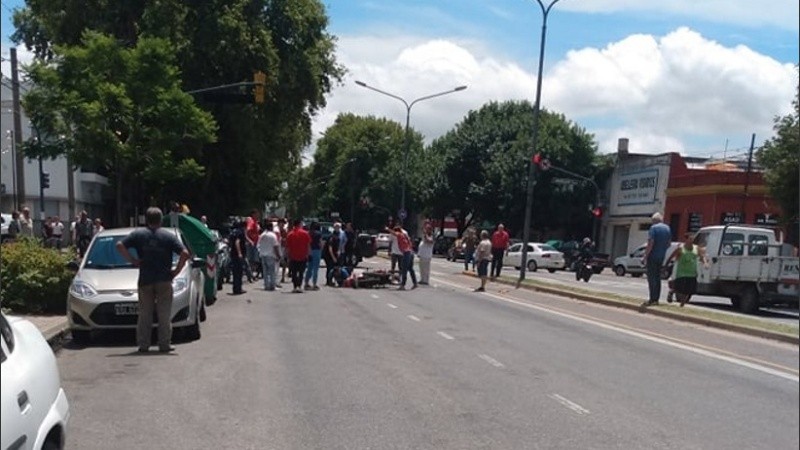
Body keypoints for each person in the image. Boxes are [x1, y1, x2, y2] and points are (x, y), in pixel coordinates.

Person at [116, 207, 190, 353]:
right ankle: (164, 344)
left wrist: (133, 260)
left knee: (145, 314)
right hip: (164, 279)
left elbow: (119, 245)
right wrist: (175, 271)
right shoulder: (168, 236)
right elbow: (185, 253)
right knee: (164, 314)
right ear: (161, 219)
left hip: (145, 279)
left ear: (147, 219)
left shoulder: (139, 235)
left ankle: (144, 344)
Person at [666, 232, 708, 307]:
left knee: (689, 290)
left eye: (693, 239)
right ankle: (672, 291)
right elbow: (671, 256)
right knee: (680, 289)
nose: (692, 240)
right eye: (690, 239)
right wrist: (666, 265)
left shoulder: (696, 248)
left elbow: (702, 256)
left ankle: (682, 304)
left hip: (692, 272)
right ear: (686, 240)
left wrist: (705, 263)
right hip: (681, 272)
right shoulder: (680, 248)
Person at [641, 212, 672, 307]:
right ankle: (656, 299)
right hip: (661, 256)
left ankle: (652, 298)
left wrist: (645, 256)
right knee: (658, 278)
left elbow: (651, 243)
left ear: (654, 221)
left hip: (653, 256)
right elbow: (669, 244)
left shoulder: (653, 228)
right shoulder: (667, 228)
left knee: (651, 278)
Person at [285, 219, 312, 293]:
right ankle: (299, 286)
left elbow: (287, 247)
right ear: (300, 224)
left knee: (293, 272)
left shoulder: (290, 234)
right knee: (301, 272)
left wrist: (287, 256)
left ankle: (295, 286)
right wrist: (309, 254)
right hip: (303, 256)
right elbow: (308, 245)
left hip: (293, 256)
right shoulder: (305, 233)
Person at [256, 221, 280, 291]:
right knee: (272, 271)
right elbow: (275, 246)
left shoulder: (262, 235)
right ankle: (272, 285)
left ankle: (266, 285)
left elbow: (258, 245)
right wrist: (278, 255)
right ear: (271, 227)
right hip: (270, 255)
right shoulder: (273, 235)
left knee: (265, 272)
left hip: (263, 255)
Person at [393, 225, 417, 290]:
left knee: (404, 269)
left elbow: (395, 233)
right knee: (410, 268)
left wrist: (387, 229)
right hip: (411, 252)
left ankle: (403, 285)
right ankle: (415, 283)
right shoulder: (405, 235)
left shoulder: (400, 235)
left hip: (407, 253)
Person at [228, 220, 247, 295]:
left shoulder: (233, 232)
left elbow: (230, 242)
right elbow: (237, 242)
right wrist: (239, 253)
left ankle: (235, 288)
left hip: (233, 254)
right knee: (239, 272)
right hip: (238, 255)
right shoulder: (240, 232)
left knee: (235, 272)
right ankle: (238, 289)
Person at [304, 221, 323, 290]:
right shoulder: (319, 233)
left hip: (310, 251)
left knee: (309, 268)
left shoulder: (309, 233)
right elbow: (320, 243)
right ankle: (314, 284)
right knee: (315, 268)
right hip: (317, 251)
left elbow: (307, 243)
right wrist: (321, 248)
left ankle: (306, 283)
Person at [244, 209, 261, 282]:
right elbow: (247, 231)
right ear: (254, 214)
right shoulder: (251, 222)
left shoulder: (255, 222)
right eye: (257, 214)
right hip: (251, 244)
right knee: (251, 260)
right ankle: (250, 275)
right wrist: (250, 240)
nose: (258, 215)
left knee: (254, 260)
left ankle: (251, 275)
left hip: (255, 243)